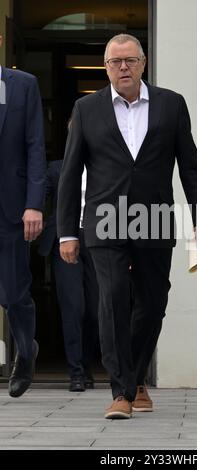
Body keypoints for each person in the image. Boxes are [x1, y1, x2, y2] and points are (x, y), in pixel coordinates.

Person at [57, 34, 197, 419]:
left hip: (155, 218)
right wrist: (67, 231)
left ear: (143, 63)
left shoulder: (171, 104)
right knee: (111, 301)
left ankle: (135, 377)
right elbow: (70, 172)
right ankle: (122, 392)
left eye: (130, 60)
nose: (123, 68)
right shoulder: (86, 108)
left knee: (153, 303)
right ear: (106, 67)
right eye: (115, 62)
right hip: (104, 219)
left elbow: (190, 166)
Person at [0, 34, 46, 397]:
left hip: (11, 206)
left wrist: (34, 203)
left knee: (14, 292)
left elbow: (34, 147)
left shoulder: (22, 85)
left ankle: (26, 348)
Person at [38, 159, 99, 391]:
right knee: (73, 306)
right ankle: (76, 372)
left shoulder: (105, 163)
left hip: (98, 240)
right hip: (64, 238)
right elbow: (37, 194)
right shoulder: (56, 168)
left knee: (95, 310)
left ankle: (85, 363)